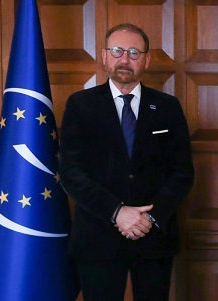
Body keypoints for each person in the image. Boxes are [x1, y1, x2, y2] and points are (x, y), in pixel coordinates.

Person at [59, 23, 194, 300]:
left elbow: (182, 172)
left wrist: (149, 218)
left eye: (133, 52)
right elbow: (71, 172)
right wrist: (118, 212)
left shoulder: (168, 107)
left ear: (146, 59)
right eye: (118, 50)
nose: (125, 59)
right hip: (98, 236)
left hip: (154, 235)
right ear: (105, 55)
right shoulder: (80, 105)